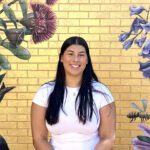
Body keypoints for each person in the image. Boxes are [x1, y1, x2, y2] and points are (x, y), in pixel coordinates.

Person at [31, 36, 116, 150]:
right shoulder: (44, 93)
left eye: (81, 55)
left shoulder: (101, 93)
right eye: (70, 54)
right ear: (61, 58)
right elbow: (39, 138)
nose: (76, 59)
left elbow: (108, 138)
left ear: (87, 60)